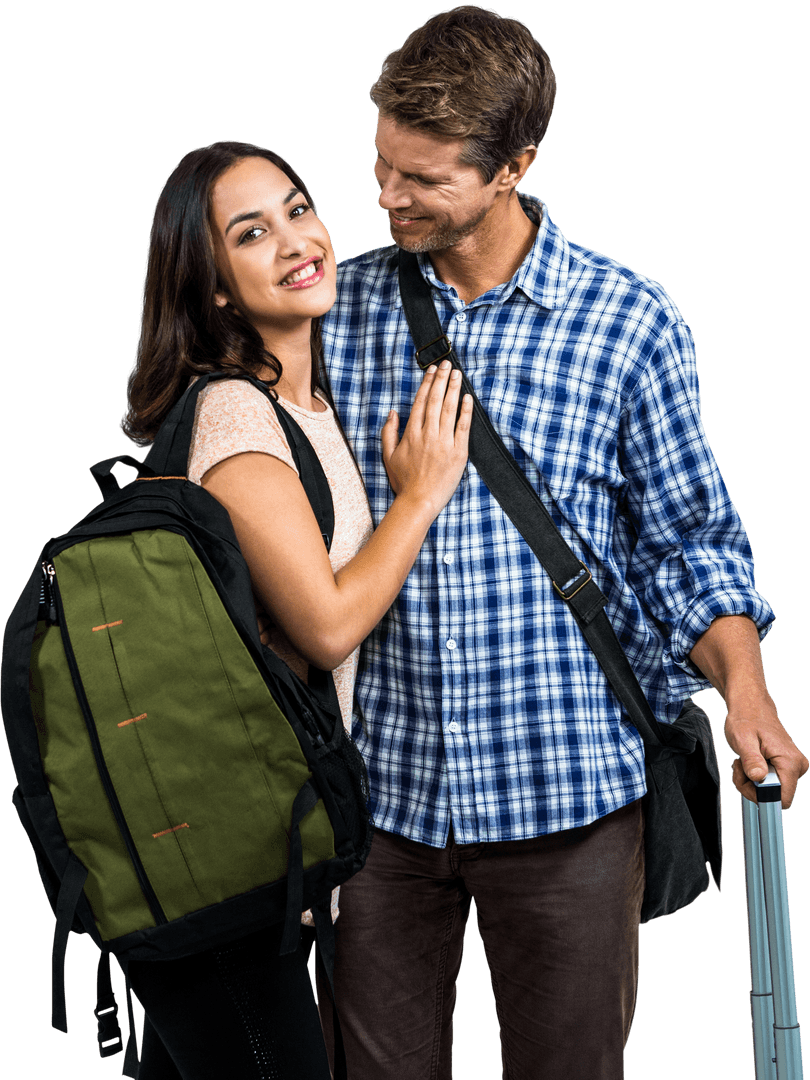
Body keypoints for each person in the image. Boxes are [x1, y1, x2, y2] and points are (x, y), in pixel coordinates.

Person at [318, 7, 810, 1079]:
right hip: (378, 802)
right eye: (381, 164)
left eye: (425, 178)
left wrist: (749, 693)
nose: (388, 195)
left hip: (569, 796)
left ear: (514, 166)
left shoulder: (629, 320)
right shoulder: (334, 311)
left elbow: (690, 544)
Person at [119, 139, 472, 1080]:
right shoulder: (237, 415)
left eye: (298, 208)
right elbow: (325, 624)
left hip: (246, 857)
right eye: (250, 233)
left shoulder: (309, 408)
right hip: (227, 865)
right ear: (214, 288)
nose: (294, 241)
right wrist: (421, 496)